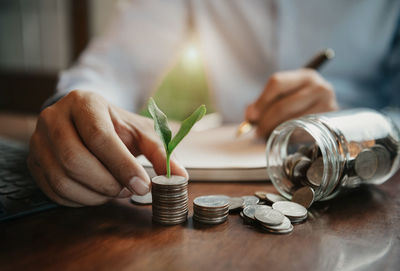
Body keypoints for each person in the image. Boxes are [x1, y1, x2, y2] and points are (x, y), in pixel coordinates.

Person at [28, 0, 400, 207]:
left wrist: (351, 127)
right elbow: (118, 61)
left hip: (371, 177)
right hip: (230, 161)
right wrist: (78, 111)